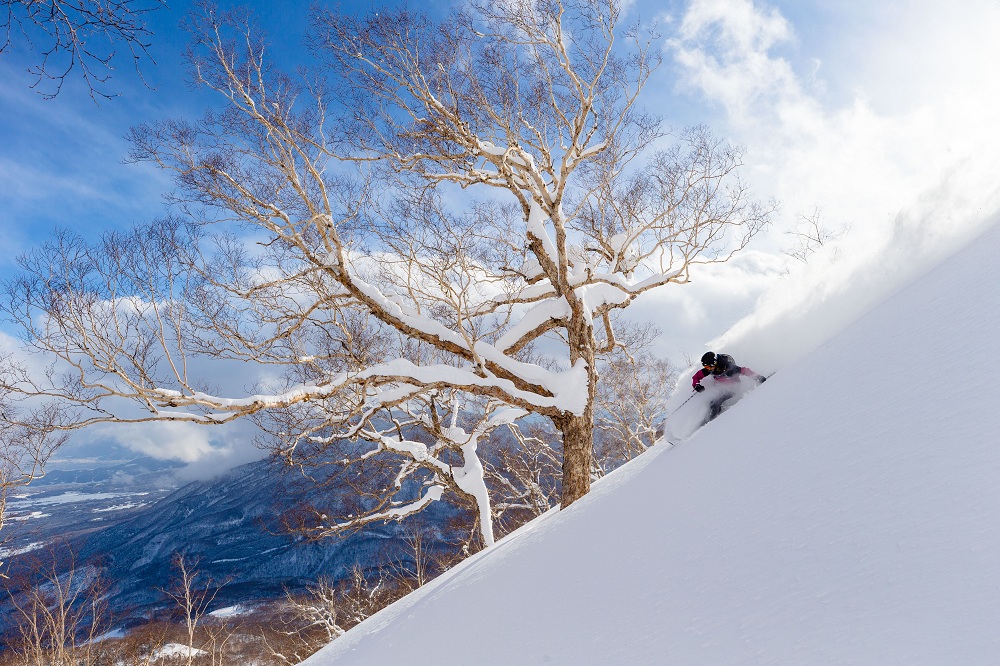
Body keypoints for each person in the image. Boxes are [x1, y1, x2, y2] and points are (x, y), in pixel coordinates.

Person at [691, 351, 766, 423]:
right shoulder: (710, 369)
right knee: (711, 403)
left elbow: (744, 371)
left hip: (732, 388)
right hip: (720, 386)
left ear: (714, 363)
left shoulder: (728, 367)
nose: (707, 369)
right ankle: (713, 415)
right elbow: (696, 377)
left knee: (715, 403)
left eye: (708, 366)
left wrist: (758, 377)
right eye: (705, 366)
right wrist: (696, 385)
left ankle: (711, 422)